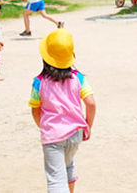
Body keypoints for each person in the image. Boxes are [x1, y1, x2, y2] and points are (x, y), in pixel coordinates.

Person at [29, 28, 96, 193]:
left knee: (56, 180)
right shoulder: (78, 78)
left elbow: (35, 110)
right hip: (75, 133)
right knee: (68, 163)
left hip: (53, 135)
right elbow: (91, 103)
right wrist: (88, 125)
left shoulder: (39, 82)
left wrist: (43, 126)